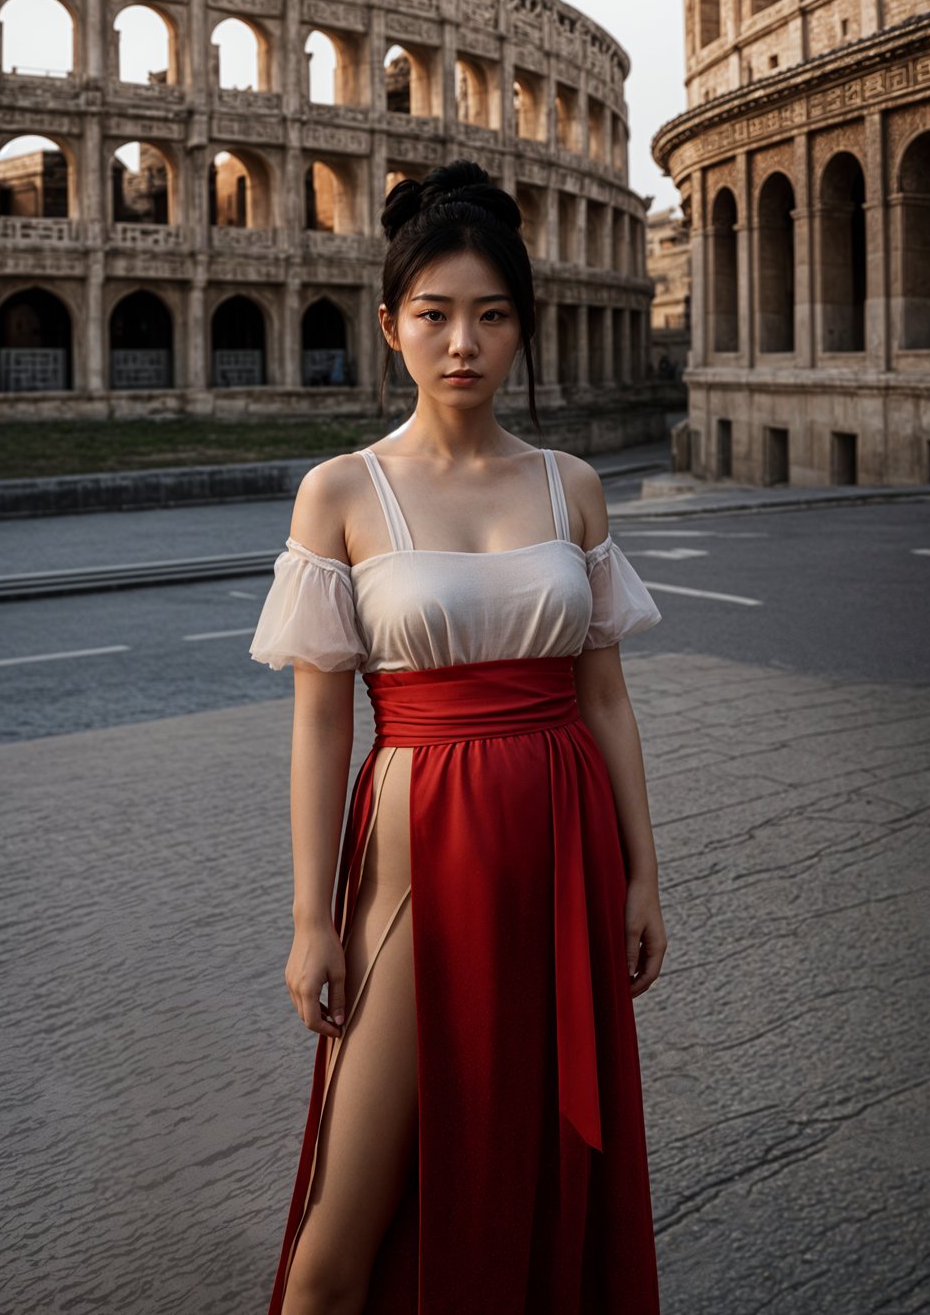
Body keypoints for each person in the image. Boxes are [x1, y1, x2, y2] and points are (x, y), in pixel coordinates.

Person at [250, 158, 667, 1315]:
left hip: (562, 850)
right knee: (346, 1214)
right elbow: (321, 728)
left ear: (522, 329)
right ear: (391, 326)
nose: (462, 343)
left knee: (535, 1158)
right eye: (434, 315)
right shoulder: (338, 491)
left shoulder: (570, 486)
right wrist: (307, 923)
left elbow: (605, 698)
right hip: (413, 857)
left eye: (491, 316)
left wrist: (643, 875)